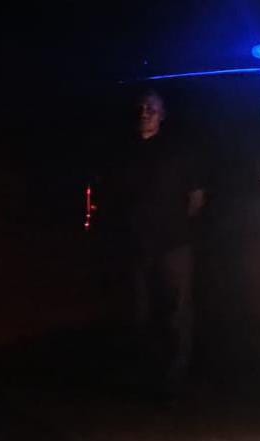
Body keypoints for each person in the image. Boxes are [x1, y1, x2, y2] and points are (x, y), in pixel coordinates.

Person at [103, 88, 205, 399]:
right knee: (139, 313)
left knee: (176, 313)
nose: (145, 113)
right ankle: (144, 375)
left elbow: (196, 197)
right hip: (136, 245)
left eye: (151, 108)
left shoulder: (178, 151)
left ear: (162, 115)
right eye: (142, 108)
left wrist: (175, 226)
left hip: (173, 244)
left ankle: (173, 382)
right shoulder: (124, 152)